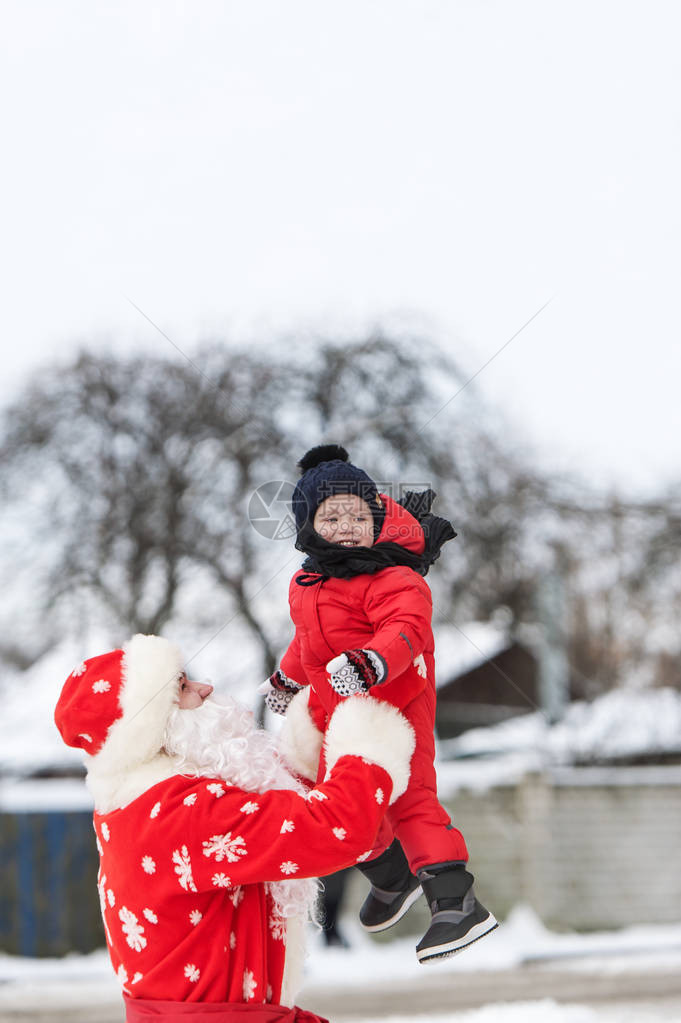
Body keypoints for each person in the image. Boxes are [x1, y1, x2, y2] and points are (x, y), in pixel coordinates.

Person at [54, 632, 415, 1022]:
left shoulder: (137, 808)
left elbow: (255, 824)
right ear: (153, 725)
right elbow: (331, 831)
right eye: (183, 687)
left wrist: (306, 747)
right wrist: (369, 748)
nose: (205, 688)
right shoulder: (182, 813)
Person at [260, 445, 497, 964]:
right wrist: (285, 676)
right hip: (335, 708)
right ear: (308, 526)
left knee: (409, 797)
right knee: (330, 802)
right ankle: (392, 875)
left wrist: (372, 663)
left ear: (377, 517)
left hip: (395, 701)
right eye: (331, 515)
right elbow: (308, 643)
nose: (346, 525)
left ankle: (456, 903)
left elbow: (406, 631)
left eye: (357, 514)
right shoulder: (308, 583)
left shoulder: (395, 576)